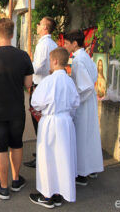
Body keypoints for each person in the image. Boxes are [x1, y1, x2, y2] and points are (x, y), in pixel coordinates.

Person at [0, 18, 34, 200]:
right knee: (16, 143)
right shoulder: (23, 56)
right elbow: (28, 84)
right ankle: (16, 180)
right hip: (16, 108)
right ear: (12, 34)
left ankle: (3, 187)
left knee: (0, 147)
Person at [29, 47, 80, 208]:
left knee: (47, 158)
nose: (50, 64)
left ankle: (47, 195)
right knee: (62, 158)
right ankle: (59, 193)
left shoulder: (48, 81)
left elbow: (35, 102)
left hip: (50, 122)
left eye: (51, 61)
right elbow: (75, 103)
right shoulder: (70, 81)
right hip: (66, 122)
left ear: (55, 61)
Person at [63, 29, 104, 186]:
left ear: (74, 44)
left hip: (82, 102)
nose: (65, 45)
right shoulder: (85, 56)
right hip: (89, 102)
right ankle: (91, 167)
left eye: (67, 43)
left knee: (81, 137)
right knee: (89, 136)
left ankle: (81, 173)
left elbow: (85, 87)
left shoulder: (77, 60)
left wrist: (74, 101)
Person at [24, 16, 58, 168]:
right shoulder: (52, 43)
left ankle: (42, 156)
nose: (36, 25)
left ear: (45, 27)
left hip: (40, 85)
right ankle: (42, 152)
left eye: (39, 23)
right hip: (47, 85)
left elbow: (37, 68)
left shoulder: (44, 44)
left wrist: (27, 63)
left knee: (38, 122)